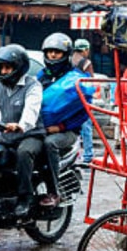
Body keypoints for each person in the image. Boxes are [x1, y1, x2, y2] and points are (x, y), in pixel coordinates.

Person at [0, 44, 44, 217]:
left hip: (31, 135)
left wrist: (22, 125)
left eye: (7, 67)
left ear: (19, 68)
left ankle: (25, 198)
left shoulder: (32, 86)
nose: (3, 71)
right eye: (1, 67)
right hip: (7, 136)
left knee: (24, 153)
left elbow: (31, 109)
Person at [38, 33, 85, 206]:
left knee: (50, 143)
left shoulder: (76, 79)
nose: (52, 56)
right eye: (49, 52)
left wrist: (61, 127)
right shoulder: (41, 76)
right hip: (39, 127)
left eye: (56, 53)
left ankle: (54, 191)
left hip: (67, 132)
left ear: (66, 54)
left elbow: (84, 113)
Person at [72, 38, 95, 164]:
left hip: (70, 99)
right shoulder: (86, 63)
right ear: (85, 50)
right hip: (83, 98)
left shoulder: (69, 60)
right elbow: (91, 82)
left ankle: (73, 156)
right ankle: (88, 156)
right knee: (86, 127)